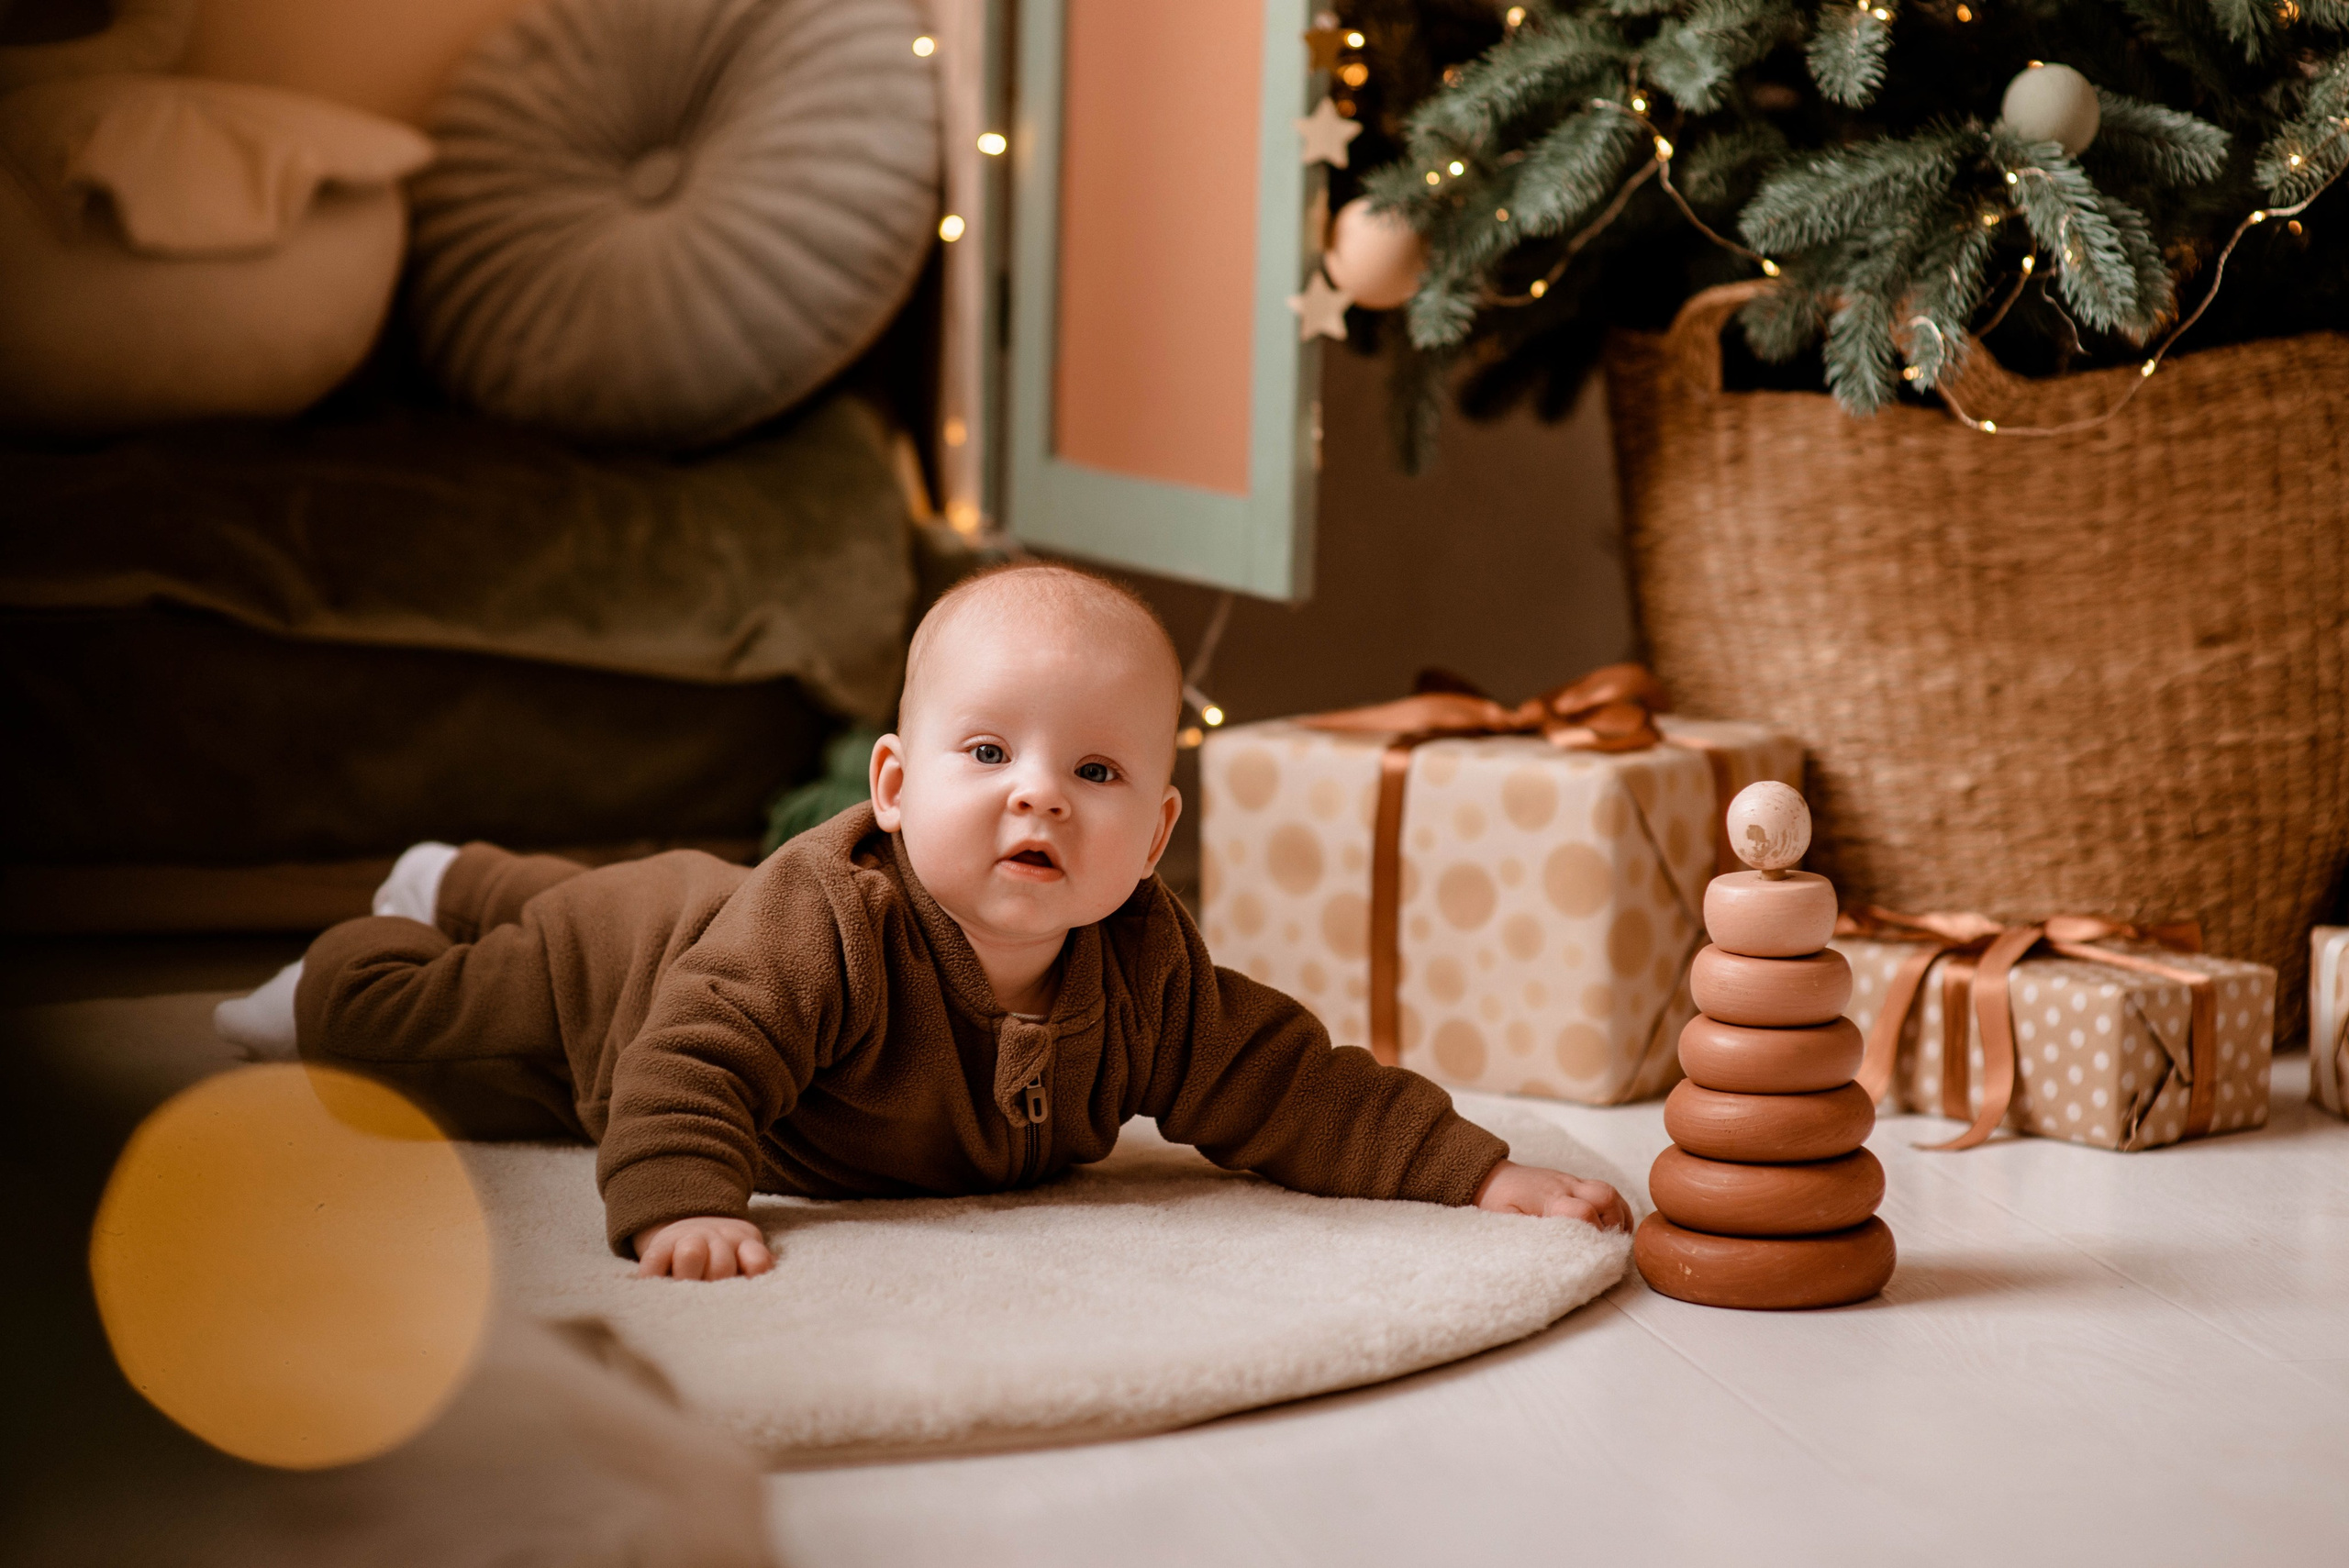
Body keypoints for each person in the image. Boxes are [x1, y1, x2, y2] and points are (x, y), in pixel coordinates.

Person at [217, 562, 1630, 1278]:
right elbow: (691, 1065)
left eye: (1095, 771)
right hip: (634, 979)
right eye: (987, 755)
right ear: (891, 785)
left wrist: (1474, 1170)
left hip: (703, 912)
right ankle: (366, 944)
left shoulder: (1147, 974)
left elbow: (1291, 1082)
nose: (1042, 801)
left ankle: (470, 868)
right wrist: (682, 1202)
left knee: (600, 888)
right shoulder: (827, 925)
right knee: (425, 1024)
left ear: (1154, 834)